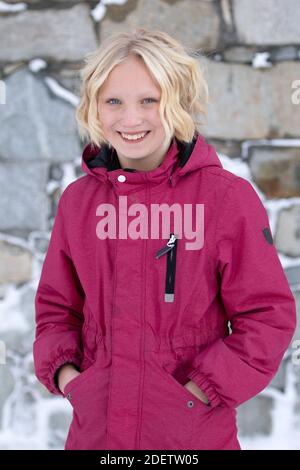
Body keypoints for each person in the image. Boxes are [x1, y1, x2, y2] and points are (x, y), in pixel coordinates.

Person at [33, 27, 297, 450]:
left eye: (149, 101)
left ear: (177, 102)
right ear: (93, 107)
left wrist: (196, 393)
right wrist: (71, 379)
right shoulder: (79, 203)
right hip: (95, 438)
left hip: (191, 440)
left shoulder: (226, 199)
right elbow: (56, 309)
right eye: (113, 101)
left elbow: (267, 316)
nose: (130, 119)